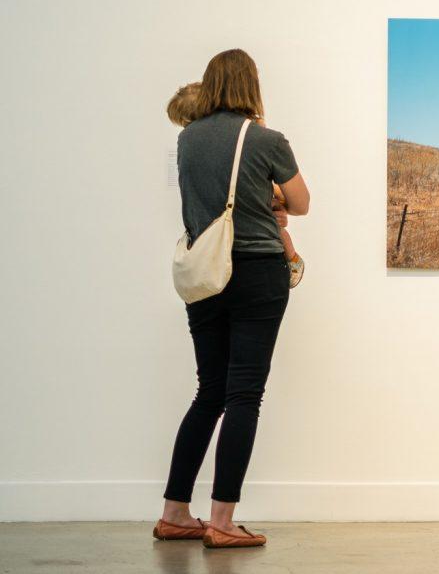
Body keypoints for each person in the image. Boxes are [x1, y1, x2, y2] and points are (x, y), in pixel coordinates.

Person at [154, 49, 310, 549]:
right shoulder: (267, 139)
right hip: (257, 272)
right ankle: (222, 523)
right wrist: (273, 201)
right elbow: (302, 203)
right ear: (252, 85)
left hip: (204, 276)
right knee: (244, 394)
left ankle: (175, 512)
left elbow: (206, 199)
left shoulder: (187, 140)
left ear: (210, 83)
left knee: (210, 391)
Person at [167, 82, 305, 287]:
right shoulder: (194, 142)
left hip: (231, 252)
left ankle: (292, 258)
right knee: (277, 224)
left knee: (278, 226)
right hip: (251, 252)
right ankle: (292, 259)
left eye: (188, 121)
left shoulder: (193, 141)